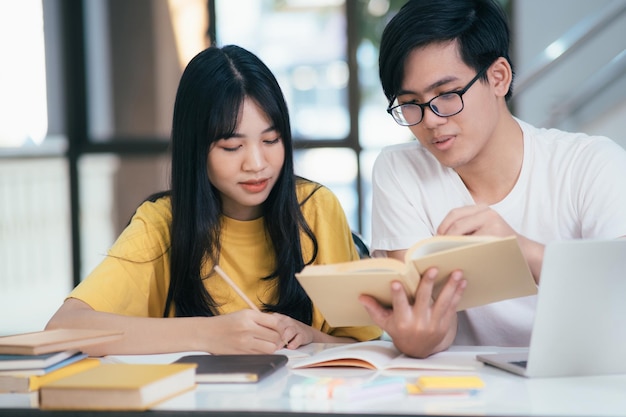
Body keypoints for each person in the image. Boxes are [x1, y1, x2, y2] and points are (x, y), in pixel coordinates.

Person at [46, 45, 382, 356]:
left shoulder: (316, 208)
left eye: (271, 140)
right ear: (196, 149)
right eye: (232, 147)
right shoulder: (162, 222)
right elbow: (65, 326)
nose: (256, 163)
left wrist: (310, 336)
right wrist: (208, 334)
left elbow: (364, 343)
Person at [358, 0, 626, 358]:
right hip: (470, 393)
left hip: (586, 377)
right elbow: (432, 327)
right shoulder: (401, 170)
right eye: (410, 103)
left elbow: (618, 293)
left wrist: (521, 250)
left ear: (498, 77)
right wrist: (418, 337)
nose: (431, 120)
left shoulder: (590, 163)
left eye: (447, 95)